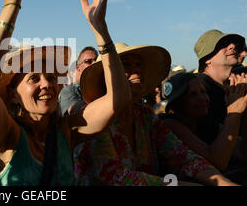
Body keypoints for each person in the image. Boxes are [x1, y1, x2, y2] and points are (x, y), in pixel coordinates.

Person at [0, 0, 130, 186]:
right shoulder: (6, 135)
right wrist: (11, 2)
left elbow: (116, 101)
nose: (47, 84)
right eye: (34, 78)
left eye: (51, 78)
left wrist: (101, 31)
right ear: (13, 95)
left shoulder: (65, 132)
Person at [74, 42, 238, 186]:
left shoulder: (144, 115)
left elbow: (181, 156)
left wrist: (223, 182)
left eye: (138, 65)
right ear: (107, 78)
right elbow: (113, 177)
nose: (136, 71)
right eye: (125, 65)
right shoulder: (94, 116)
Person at [160, 72, 247, 175]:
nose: (202, 98)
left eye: (203, 92)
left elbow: (242, 152)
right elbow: (217, 162)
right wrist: (234, 113)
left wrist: (244, 107)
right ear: (177, 104)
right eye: (193, 95)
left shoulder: (204, 123)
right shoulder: (169, 125)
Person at [193, 29, 245, 144]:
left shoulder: (235, 87)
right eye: (223, 45)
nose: (232, 46)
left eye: (232, 43)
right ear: (207, 59)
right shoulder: (199, 87)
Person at [58, 46, 98, 117]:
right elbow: (75, 118)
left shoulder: (105, 86)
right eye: (88, 61)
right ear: (78, 69)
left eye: (96, 60)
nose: (94, 63)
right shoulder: (69, 91)